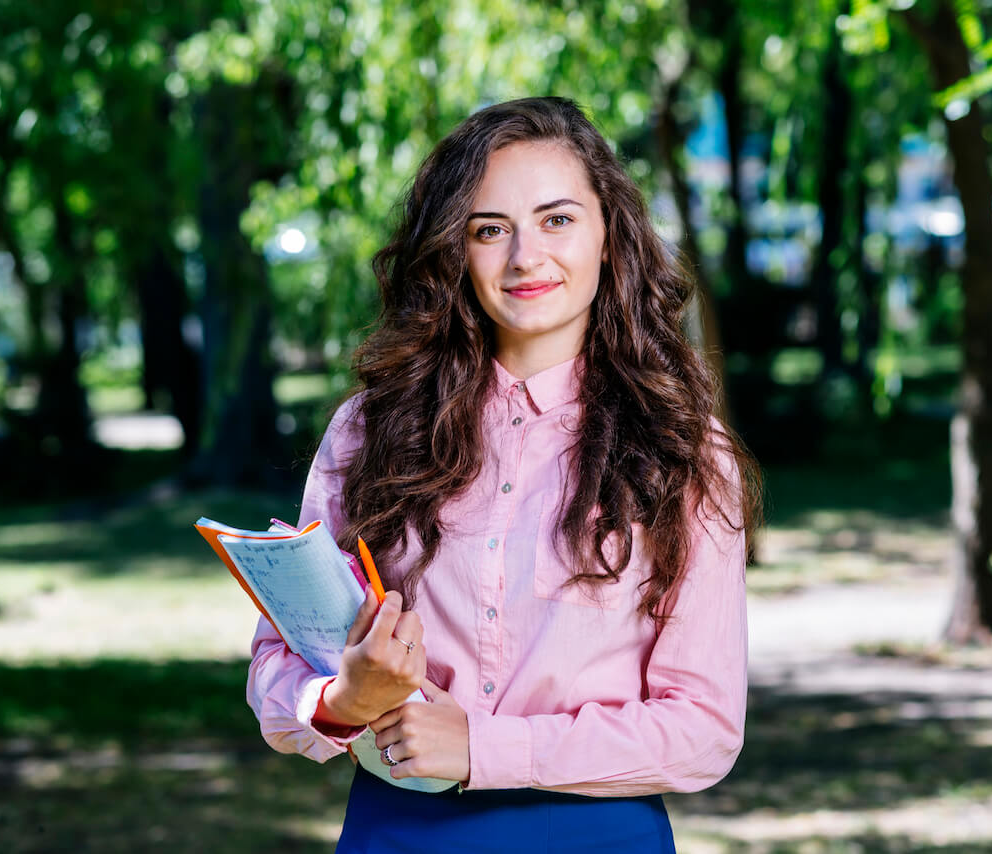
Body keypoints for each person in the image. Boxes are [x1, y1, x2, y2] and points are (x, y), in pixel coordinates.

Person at [246, 96, 761, 853]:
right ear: (456, 249)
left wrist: (485, 750)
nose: (525, 257)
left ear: (610, 237)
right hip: (398, 831)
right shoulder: (370, 429)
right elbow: (276, 663)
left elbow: (705, 728)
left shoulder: (683, 449)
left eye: (557, 220)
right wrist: (342, 699)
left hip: (595, 836)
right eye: (490, 229)